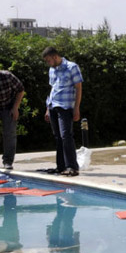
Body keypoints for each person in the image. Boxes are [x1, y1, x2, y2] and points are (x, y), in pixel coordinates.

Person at [43, 47, 83, 176]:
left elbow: (78, 88)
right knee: (58, 137)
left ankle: (72, 166)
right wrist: (47, 108)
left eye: (49, 60)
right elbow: (52, 89)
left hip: (65, 106)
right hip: (53, 105)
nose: (48, 63)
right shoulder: (52, 70)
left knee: (66, 135)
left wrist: (76, 107)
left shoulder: (72, 67)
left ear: (55, 57)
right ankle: (60, 166)